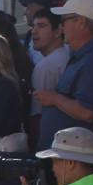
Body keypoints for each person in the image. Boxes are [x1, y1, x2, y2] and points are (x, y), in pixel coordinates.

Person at [37, 0, 93, 150]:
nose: (61, 27)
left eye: (64, 21)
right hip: (72, 156)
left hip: (85, 157)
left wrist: (54, 98)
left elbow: (88, 112)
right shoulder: (86, 56)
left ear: (81, 22)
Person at [28, 9, 70, 147]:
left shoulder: (46, 66)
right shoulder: (68, 56)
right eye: (33, 26)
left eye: (41, 26)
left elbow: (37, 116)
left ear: (58, 31)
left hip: (52, 143)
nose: (34, 31)